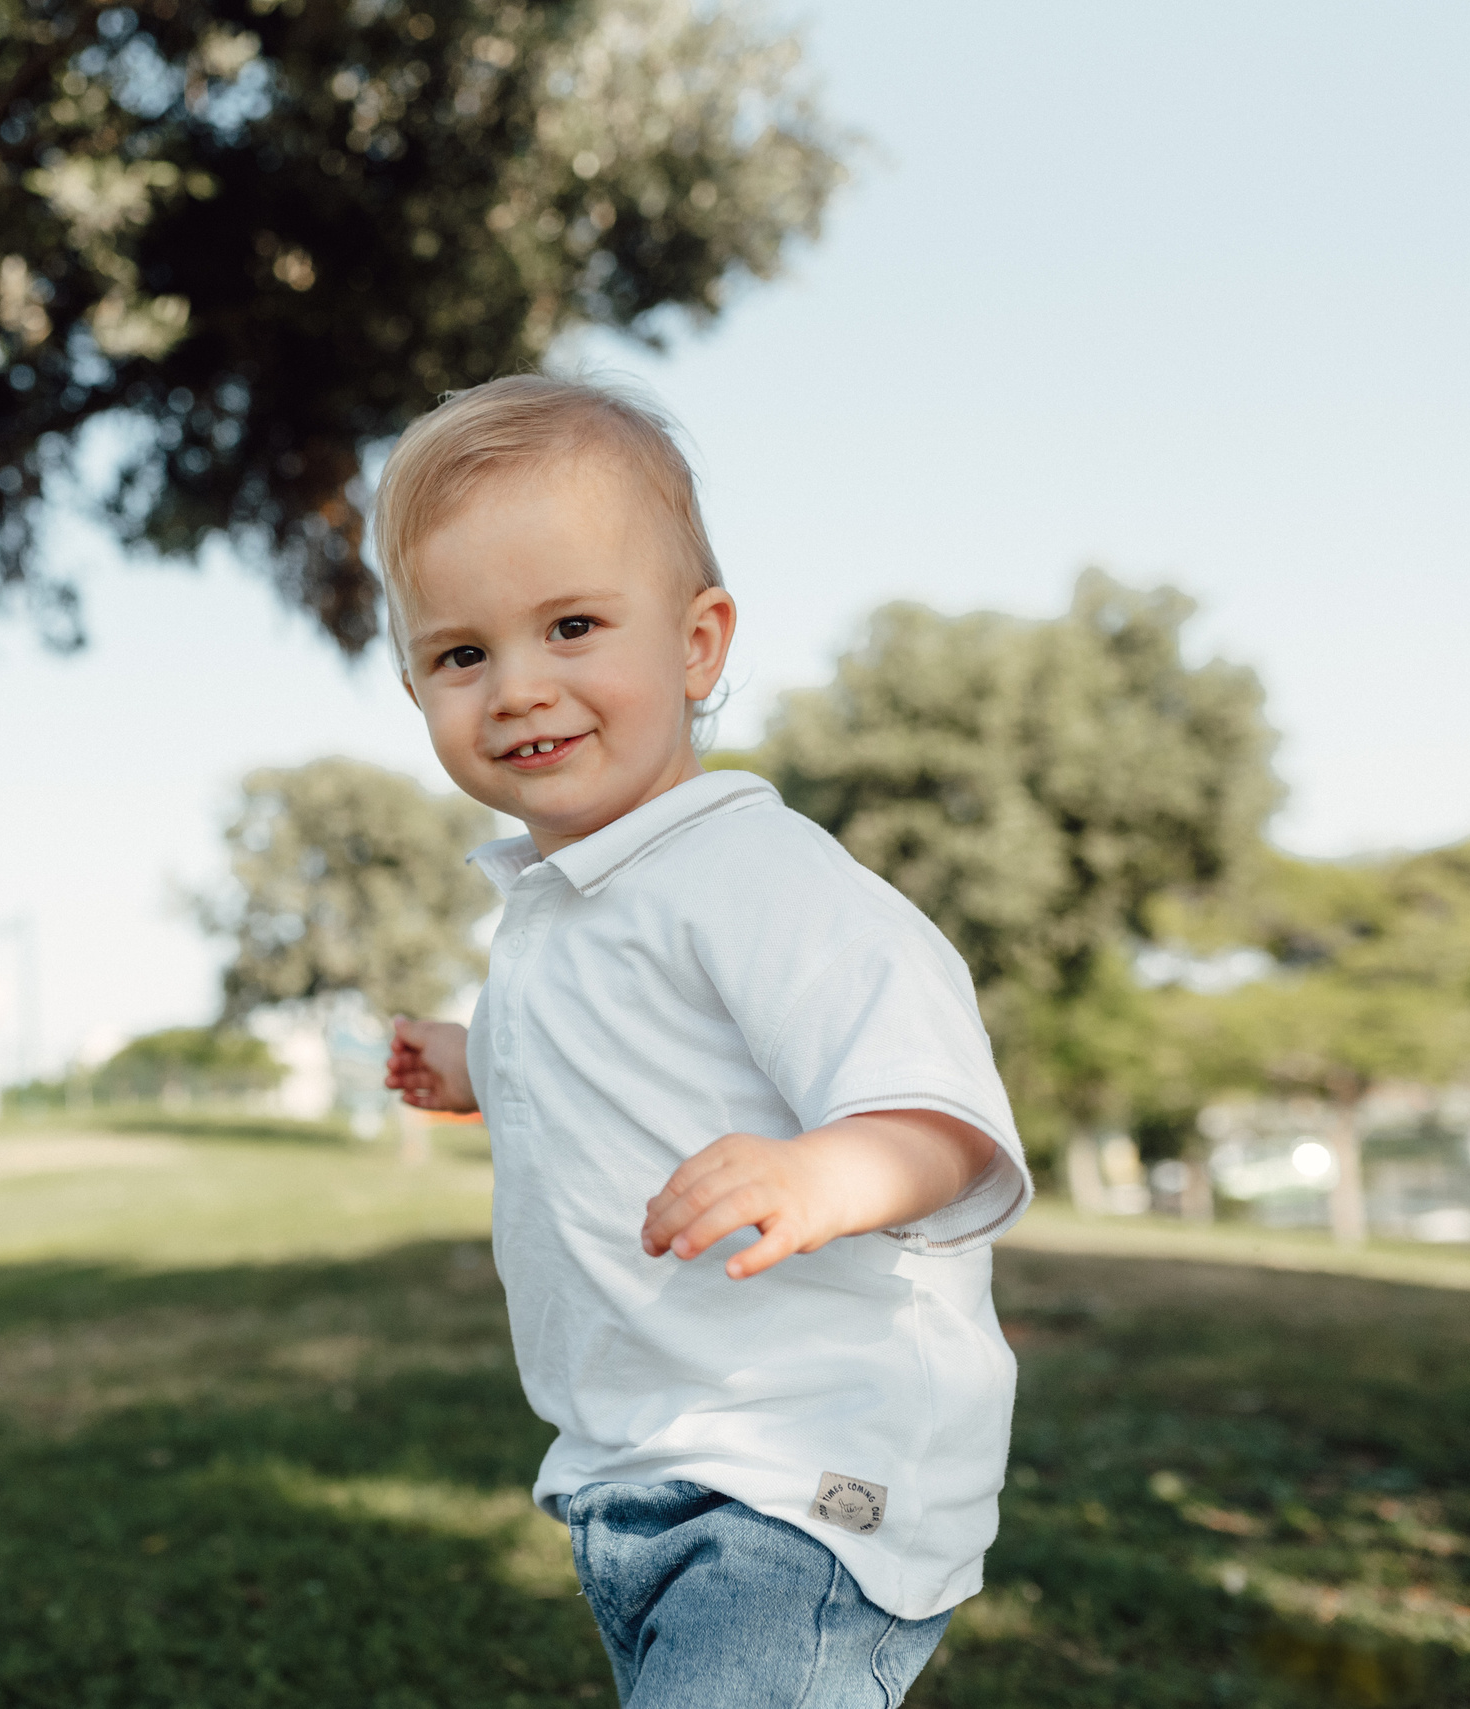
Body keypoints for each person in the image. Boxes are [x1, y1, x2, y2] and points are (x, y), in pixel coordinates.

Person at [378, 374, 1031, 1707]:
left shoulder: (759, 877)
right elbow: (581, 1063)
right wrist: (465, 1063)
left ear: (698, 644)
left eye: (571, 626)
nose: (518, 688)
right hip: (642, 1469)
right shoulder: (561, 908)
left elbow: (943, 1119)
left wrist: (822, 1172)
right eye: (462, 655)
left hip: (807, 1472)